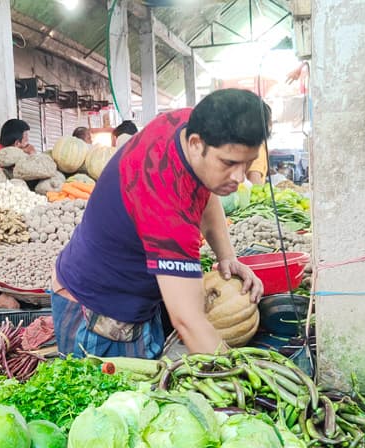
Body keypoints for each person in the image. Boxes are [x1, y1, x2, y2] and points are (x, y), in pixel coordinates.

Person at [52, 88, 268, 359]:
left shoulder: (188, 123)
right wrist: (242, 379)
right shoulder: (166, 207)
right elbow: (188, 322)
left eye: (247, 163)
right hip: (99, 316)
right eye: (228, 163)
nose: (238, 177)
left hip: (132, 295)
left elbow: (207, 190)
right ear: (196, 144)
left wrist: (227, 256)